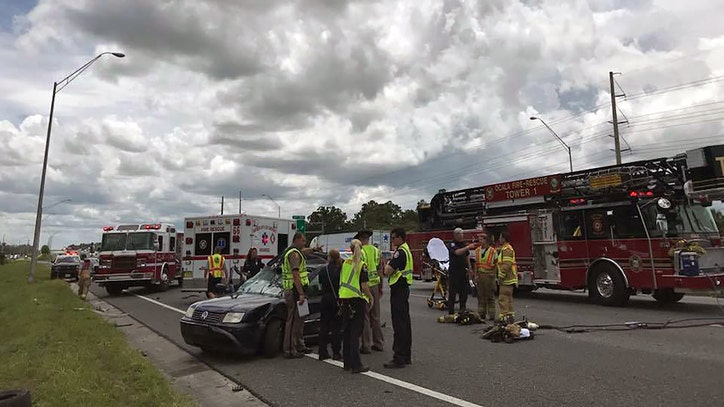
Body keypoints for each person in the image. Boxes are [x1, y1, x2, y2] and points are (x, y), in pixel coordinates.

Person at [281, 232, 322, 359]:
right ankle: (290, 350)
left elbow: (305, 251)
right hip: (294, 290)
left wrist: (315, 249)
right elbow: (295, 275)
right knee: (292, 321)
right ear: (297, 240)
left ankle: (300, 345)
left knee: (300, 320)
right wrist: (301, 293)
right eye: (303, 241)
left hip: (296, 290)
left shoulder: (296, 252)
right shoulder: (293, 254)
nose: (304, 243)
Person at [339, 239, 374, 373]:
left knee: (347, 332)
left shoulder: (345, 263)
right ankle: (356, 364)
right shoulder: (361, 265)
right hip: (357, 300)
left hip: (344, 298)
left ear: (350, 249)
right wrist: (371, 298)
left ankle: (347, 362)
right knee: (355, 333)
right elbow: (364, 286)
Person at [383, 227, 413, 369]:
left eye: (394, 237)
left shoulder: (400, 252)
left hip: (399, 288)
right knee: (405, 323)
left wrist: (388, 264)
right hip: (403, 288)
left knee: (399, 324)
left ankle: (399, 357)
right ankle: (406, 356)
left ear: (400, 237)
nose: (392, 240)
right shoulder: (406, 249)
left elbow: (387, 271)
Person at [356, 230, 384, 353]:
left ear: (360, 239)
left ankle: (366, 345)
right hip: (375, 285)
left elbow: (358, 272)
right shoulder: (376, 251)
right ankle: (379, 343)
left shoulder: (359, 252)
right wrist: (381, 287)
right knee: (376, 316)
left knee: (365, 316)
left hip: (364, 286)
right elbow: (380, 271)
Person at [318, 249, 343, 361]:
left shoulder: (323, 270)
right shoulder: (340, 270)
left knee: (324, 326)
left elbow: (319, 286)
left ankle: (322, 352)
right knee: (336, 327)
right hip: (336, 298)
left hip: (325, 298)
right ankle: (336, 352)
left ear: (329, 257)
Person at [447, 228, 476, 315]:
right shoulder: (452, 244)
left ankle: (462, 309)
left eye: (463, 234)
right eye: (460, 234)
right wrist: (467, 247)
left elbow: (467, 255)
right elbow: (457, 252)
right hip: (454, 272)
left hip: (463, 272)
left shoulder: (463, 244)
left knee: (464, 292)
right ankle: (451, 312)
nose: (462, 236)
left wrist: (470, 268)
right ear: (456, 235)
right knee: (452, 292)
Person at [473, 232, 497, 320]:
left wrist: (494, 276)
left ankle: (491, 315)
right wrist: (475, 275)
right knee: (480, 296)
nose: (480, 241)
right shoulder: (477, 250)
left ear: (486, 240)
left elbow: (495, 264)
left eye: (481, 239)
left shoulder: (492, 251)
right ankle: (481, 313)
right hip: (480, 275)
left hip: (489, 275)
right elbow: (476, 264)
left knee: (490, 296)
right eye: (479, 240)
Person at [496, 231, 517, 322]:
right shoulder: (506, 248)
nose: (499, 239)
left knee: (503, 298)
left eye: (500, 238)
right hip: (509, 279)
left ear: (504, 239)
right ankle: (510, 316)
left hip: (506, 279)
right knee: (508, 299)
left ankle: (504, 317)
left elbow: (507, 264)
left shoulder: (507, 250)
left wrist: (501, 276)